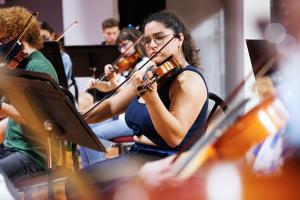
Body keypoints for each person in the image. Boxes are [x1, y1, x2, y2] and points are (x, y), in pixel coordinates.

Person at [66, 10, 208, 198]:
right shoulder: (153, 73)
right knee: (75, 184)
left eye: (159, 38)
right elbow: (111, 106)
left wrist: (151, 98)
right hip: (137, 155)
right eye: (147, 41)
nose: (152, 45)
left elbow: (174, 138)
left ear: (179, 38)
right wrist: (74, 117)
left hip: (168, 162)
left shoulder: (188, 81)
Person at [0, 6, 59, 181]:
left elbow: (39, 120)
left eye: (4, 39)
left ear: (21, 36)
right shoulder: (17, 64)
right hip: (12, 147)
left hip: (34, 155)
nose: (1, 45)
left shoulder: (38, 68)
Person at [79, 27, 153, 167]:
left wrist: (113, 78)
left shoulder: (144, 64)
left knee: (94, 136)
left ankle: (98, 176)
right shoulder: (125, 64)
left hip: (132, 119)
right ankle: (86, 174)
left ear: (135, 42)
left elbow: (129, 93)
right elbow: (109, 87)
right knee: (83, 131)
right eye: (120, 45)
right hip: (119, 116)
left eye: (125, 44)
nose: (122, 49)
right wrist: (96, 84)